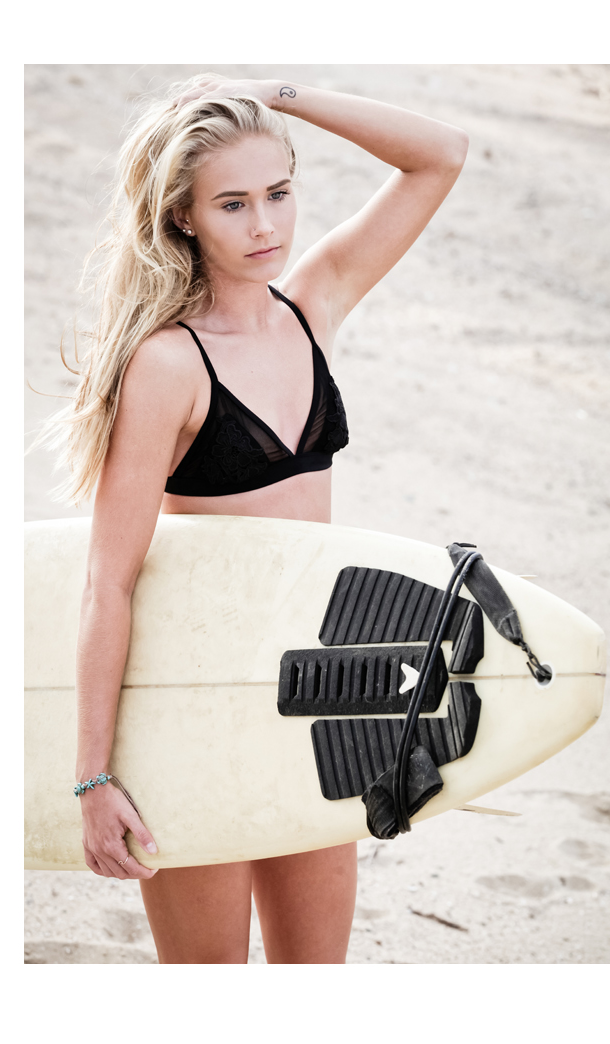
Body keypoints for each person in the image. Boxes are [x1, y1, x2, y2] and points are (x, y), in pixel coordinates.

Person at [43, 74, 468, 963]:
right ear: (183, 218)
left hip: (316, 701)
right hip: (197, 705)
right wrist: (93, 777)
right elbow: (107, 581)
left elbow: (440, 156)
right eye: (233, 204)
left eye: (279, 193)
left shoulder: (310, 306)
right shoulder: (167, 364)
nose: (266, 225)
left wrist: (280, 89)